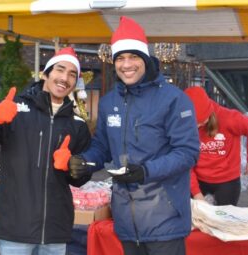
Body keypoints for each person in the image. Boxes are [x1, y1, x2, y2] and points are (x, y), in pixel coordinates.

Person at [68, 16, 200, 255]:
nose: (126, 64)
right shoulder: (109, 102)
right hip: (126, 220)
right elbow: (102, 146)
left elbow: (188, 153)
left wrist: (145, 171)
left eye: (133, 57)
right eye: (120, 58)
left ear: (146, 60)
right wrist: (85, 162)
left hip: (165, 219)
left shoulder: (173, 99)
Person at [0, 47, 92, 255]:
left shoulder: (77, 125)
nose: (65, 78)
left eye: (72, 74)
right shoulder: (15, 108)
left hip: (55, 232)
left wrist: (73, 166)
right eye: (60, 70)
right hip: (16, 229)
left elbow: (81, 178)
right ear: (45, 74)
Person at [184, 86, 248, 206]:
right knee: (195, 219)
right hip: (199, 179)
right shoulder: (184, 126)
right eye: (193, 123)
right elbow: (187, 161)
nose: (197, 127)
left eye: (200, 122)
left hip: (227, 181)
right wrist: (196, 193)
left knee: (224, 221)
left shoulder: (229, 119)